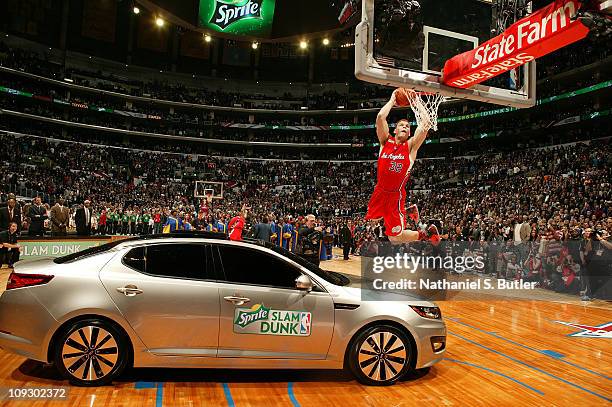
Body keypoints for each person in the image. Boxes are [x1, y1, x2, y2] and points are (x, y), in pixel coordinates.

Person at [365, 89, 439, 245]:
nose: (405, 127)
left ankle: (424, 234)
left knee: (394, 238)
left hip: (394, 196)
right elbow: (380, 117)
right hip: (379, 191)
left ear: (409, 132)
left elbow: (425, 124)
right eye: (401, 125)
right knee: (372, 222)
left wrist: (416, 101)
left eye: (407, 126)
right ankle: (409, 211)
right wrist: (392, 100)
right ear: (395, 129)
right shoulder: (385, 141)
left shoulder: (410, 147)